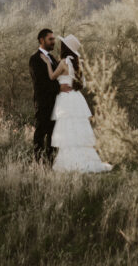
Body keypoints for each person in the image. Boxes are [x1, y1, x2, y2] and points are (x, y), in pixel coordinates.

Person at [42, 34, 112, 173]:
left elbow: (52, 77)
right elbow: (82, 84)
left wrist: (47, 63)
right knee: (78, 129)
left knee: (67, 128)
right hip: (76, 97)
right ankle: (84, 161)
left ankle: (69, 163)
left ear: (65, 48)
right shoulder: (78, 63)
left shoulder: (63, 62)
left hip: (66, 98)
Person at [29, 28, 60, 164]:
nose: (53, 41)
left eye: (53, 39)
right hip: (43, 103)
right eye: (50, 39)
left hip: (56, 103)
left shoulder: (52, 58)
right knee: (41, 133)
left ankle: (50, 162)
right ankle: (38, 162)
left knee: (54, 135)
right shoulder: (34, 59)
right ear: (42, 40)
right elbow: (41, 83)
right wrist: (60, 88)